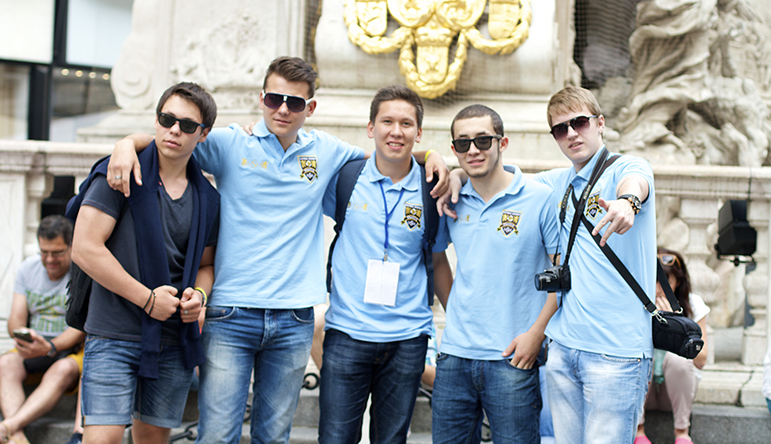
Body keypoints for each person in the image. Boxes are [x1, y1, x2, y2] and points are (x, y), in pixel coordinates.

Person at [105, 57, 449, 443]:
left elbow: (390, 153)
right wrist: (126, 144)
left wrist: (432, 156)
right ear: (261, 99)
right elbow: (173, 140)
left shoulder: (327, 150)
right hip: (230, 314)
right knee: (217, 436)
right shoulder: (230, 143)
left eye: (295, 102)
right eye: (274, 99)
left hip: (294, 319)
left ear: (310, 108)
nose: (283, 109)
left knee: (273, 438)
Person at [71, 82, 219, 444]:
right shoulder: (120, 172)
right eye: (167, 119)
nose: (174, 130)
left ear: (203, 135)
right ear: (156, 120)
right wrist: (147, 299)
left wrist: (199, 296)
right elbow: (85, 248)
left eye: (187, 125)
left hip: (172, 337)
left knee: (152, 440)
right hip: (113, 332)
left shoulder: (208, 199)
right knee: (101, 439)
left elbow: (205, 265)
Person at [318, 85, 453, 443]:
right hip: (347, 332)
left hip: (407, 339)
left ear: (419, 133)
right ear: (370, 127)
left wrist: (458, 318)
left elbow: (438, 259)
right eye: (387, 122)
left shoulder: (432, 189)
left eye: (406, 124)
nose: (396, 131)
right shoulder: (345, 178)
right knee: (335, 438)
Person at [533, 85, 657, 444]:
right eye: (561, 129)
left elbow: (636, 183)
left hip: (615, 354)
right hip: (563, 346)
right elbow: (501, 181)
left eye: (580, 122)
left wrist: (627, 203)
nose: (572, 134)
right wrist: (449, 171)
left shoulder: (627, 167)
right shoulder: (557, 182)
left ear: (600, 123)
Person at [432, 104, 560, 444]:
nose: (473, 150)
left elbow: (562, 274)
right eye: (463, 143)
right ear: (454, 149)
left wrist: (536, 334)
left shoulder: (540, 198)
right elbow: (437, 259)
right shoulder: (451, 199)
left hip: (513, 356)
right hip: (455, 355)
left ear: (502, 143)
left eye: (483, 140)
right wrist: (456, 309)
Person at [0, 215, 86, 444]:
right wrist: (24, 336)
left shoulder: (81, 272)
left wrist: (51, 346)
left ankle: (8, 426)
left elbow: (83, 325)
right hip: (36, 345)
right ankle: (17, 437)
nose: (49, 259)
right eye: (44, 252)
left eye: (57, 253)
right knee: (6, 363)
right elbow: (15, 320)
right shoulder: (28, 268)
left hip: (70, 350)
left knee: (62, 369)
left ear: (71, 246)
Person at [635, 249, 710, 444]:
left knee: (678, 359)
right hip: (643, 394)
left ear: (678, 281)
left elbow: (701, 360)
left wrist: (675, 325)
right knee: (641, 355)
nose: (657, 289)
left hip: (675, 394)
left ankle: (682, 433)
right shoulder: (637, 304)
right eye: (653, 280)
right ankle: (638, 431)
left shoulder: (693, 304)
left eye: (665, 281)